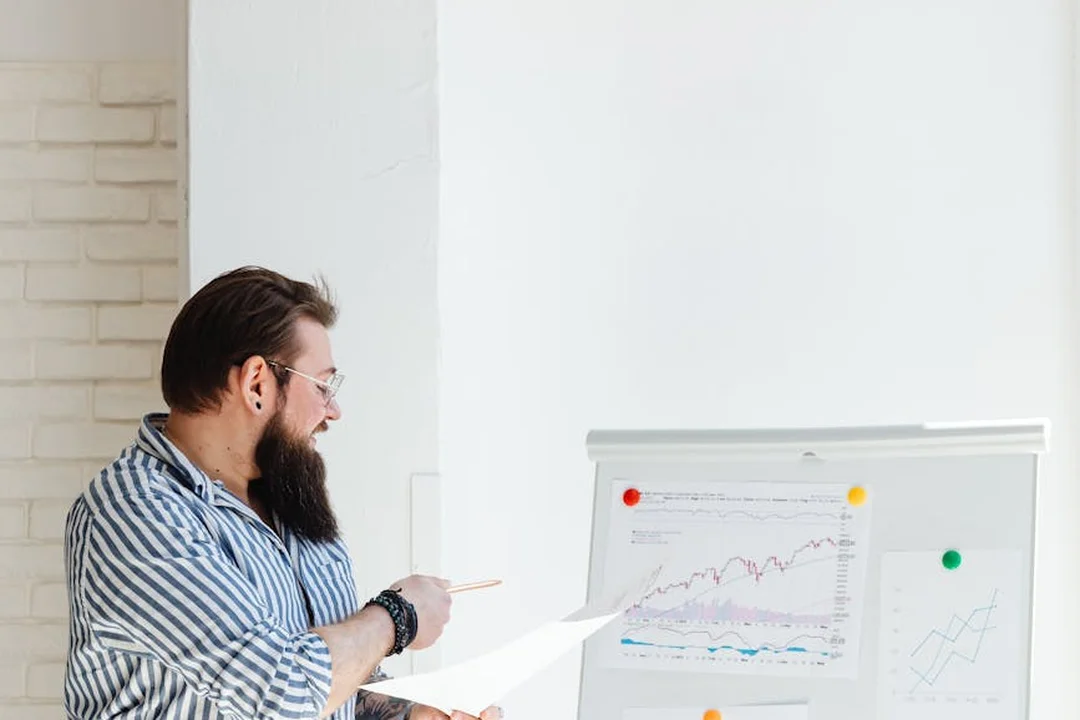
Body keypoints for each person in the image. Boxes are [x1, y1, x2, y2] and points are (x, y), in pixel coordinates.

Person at [62, 266, 502, 720]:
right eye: (323, 385)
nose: (334, 411)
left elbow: (335, 690)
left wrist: (411, 715)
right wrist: (396, 616)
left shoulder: (292, 503)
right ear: (257, 384)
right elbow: (281, 695)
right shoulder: (135, 515)